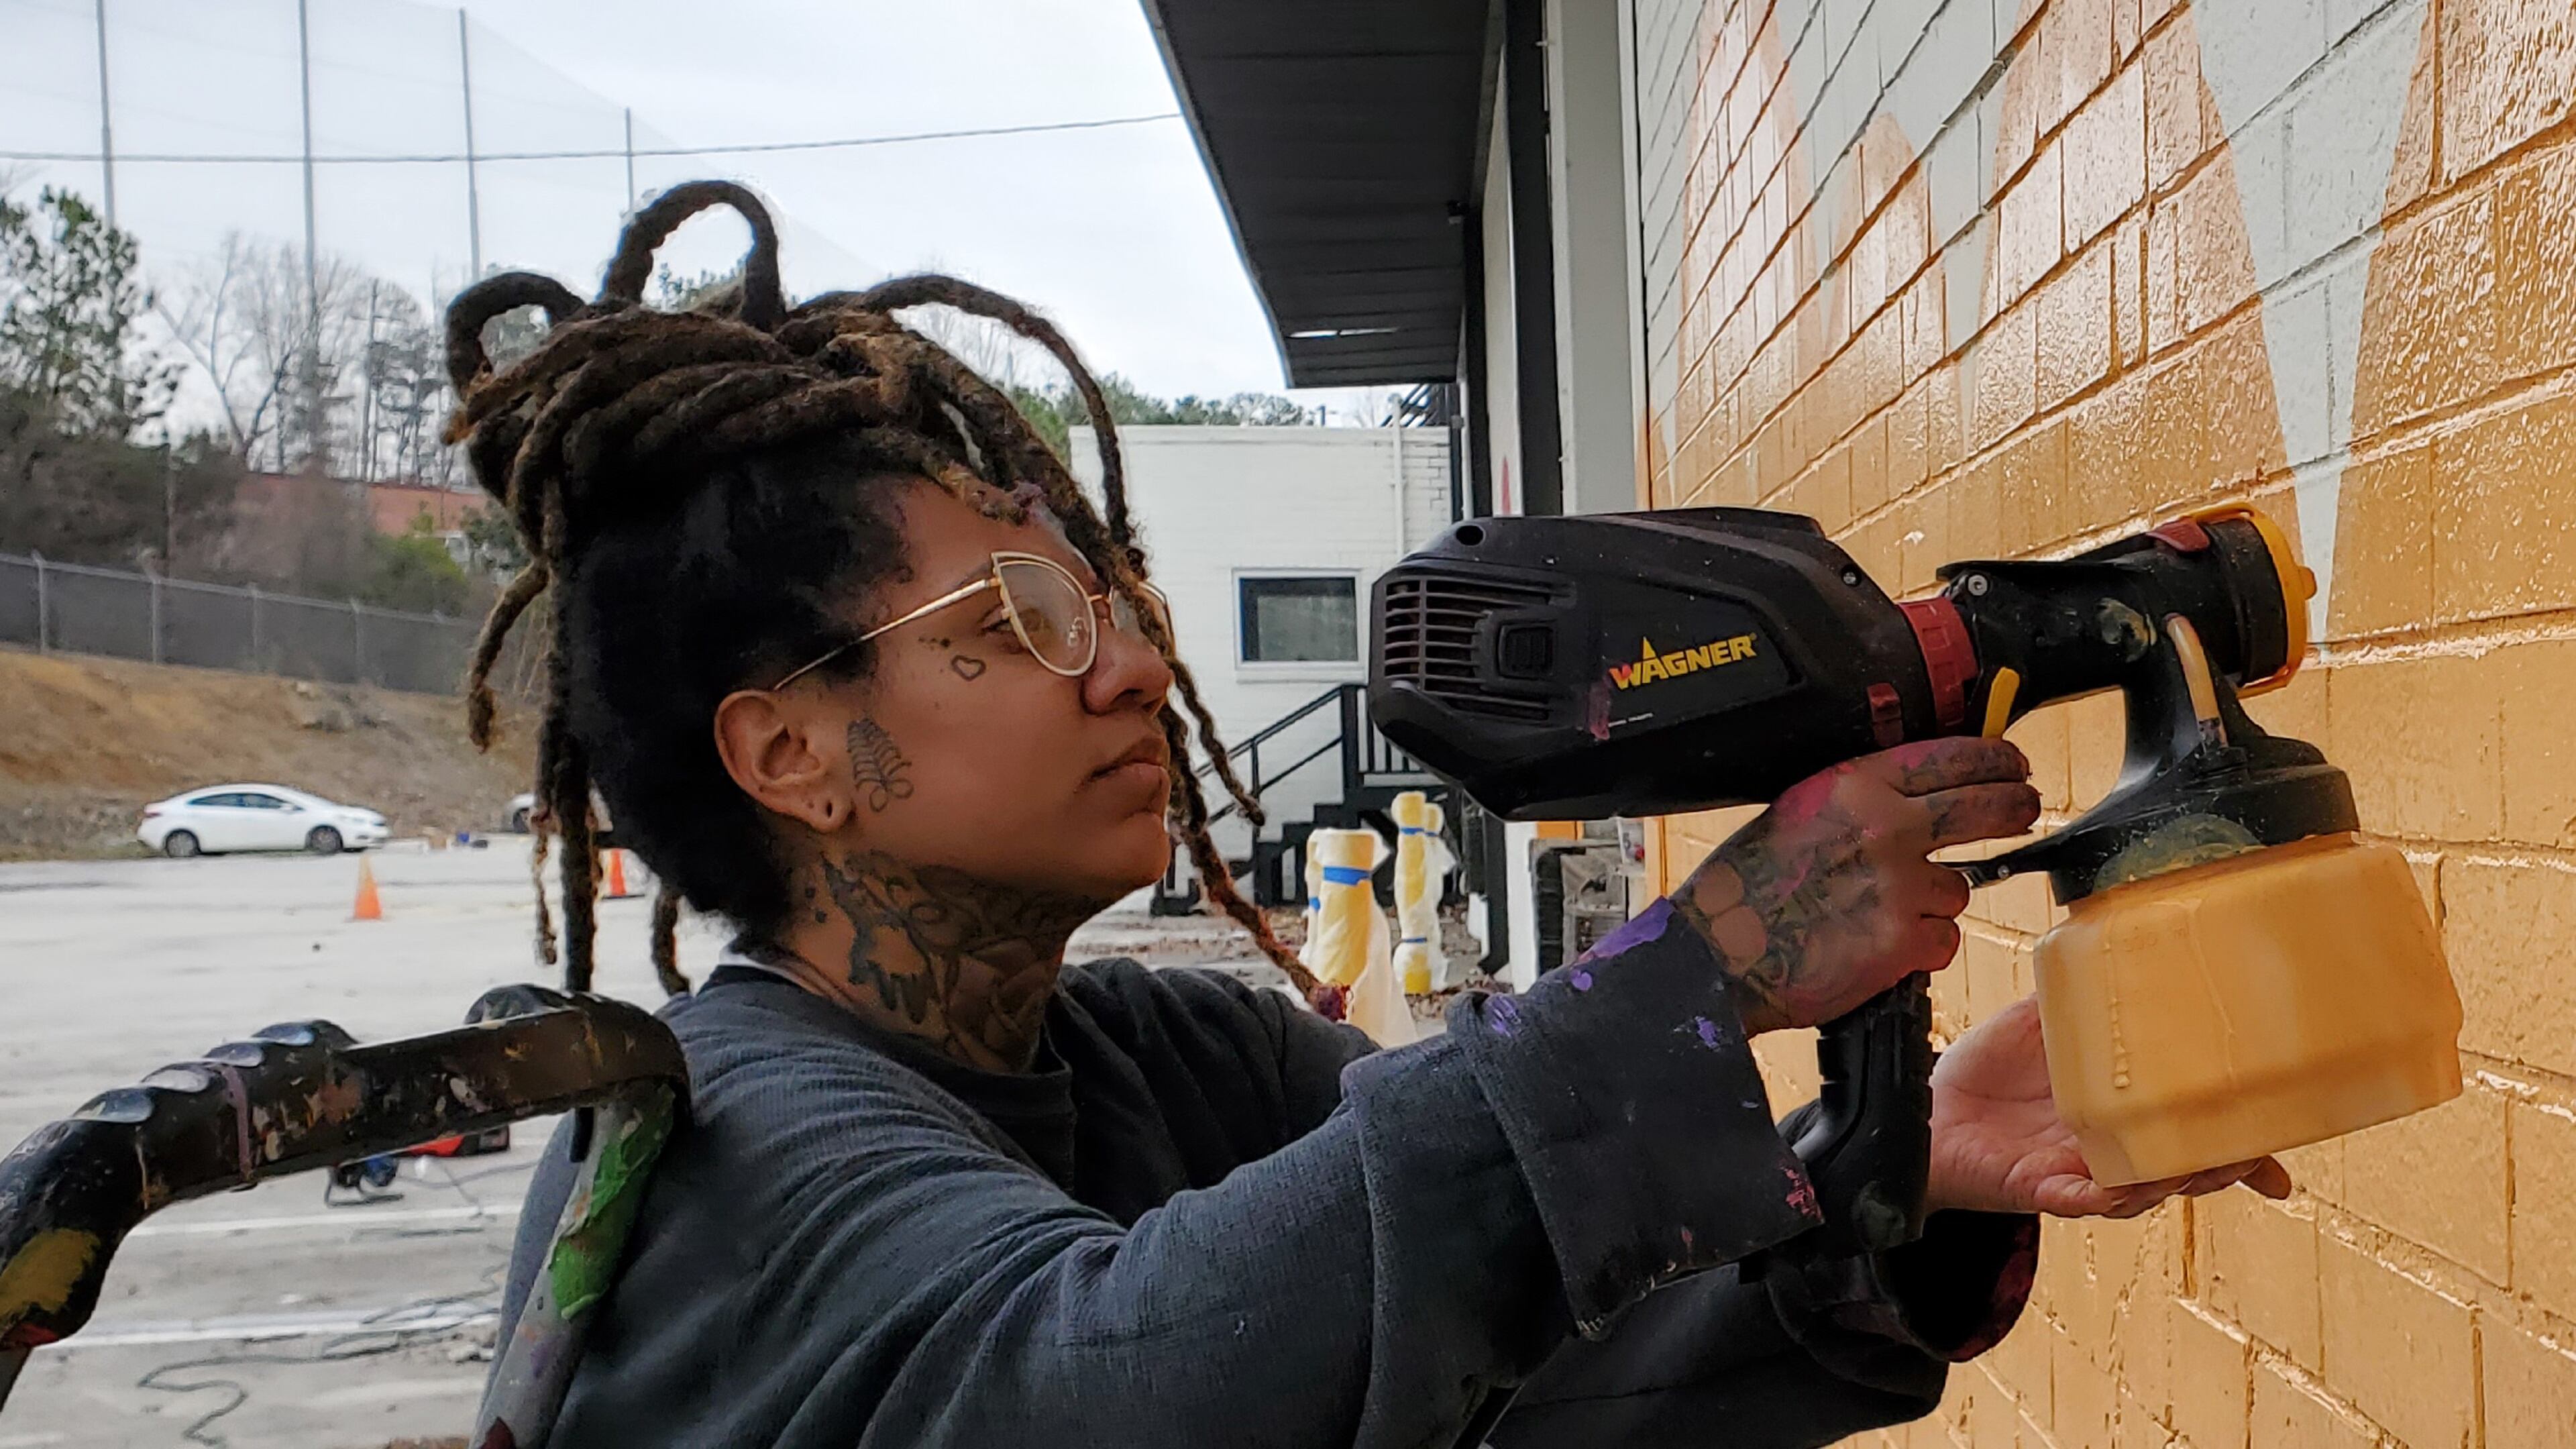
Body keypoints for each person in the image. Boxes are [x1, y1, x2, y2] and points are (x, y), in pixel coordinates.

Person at [460, 182, 2287, 1448]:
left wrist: (1896, 1185)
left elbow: (1544, 1358)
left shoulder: (1181, 1065)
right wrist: (1700, 968)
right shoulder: (715, 1150)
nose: (1123, 676)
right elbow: (1123, 1390)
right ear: (789, 754)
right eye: (1018, 626)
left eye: (1113, 607)